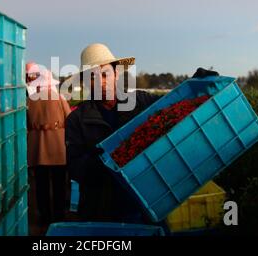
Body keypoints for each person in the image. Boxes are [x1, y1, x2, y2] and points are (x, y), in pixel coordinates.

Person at [65, 43, 218, 223]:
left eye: (105, 74)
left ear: (116, 74)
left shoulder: (140, 102)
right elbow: (75, 168)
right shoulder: (77, 120)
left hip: (144, 202)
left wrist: (193, 84)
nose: (100, 81)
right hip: (100, 208)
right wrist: (107, 161)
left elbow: (173, 105)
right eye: (92, 77)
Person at [26, 67, 71, 226]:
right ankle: (59, 217)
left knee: (41, 185)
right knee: (59, 185)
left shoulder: (29, 100)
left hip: (37, 149)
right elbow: (70, 120)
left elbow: (25, 124)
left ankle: (44, 217)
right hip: (58, 149)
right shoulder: (59, 98)